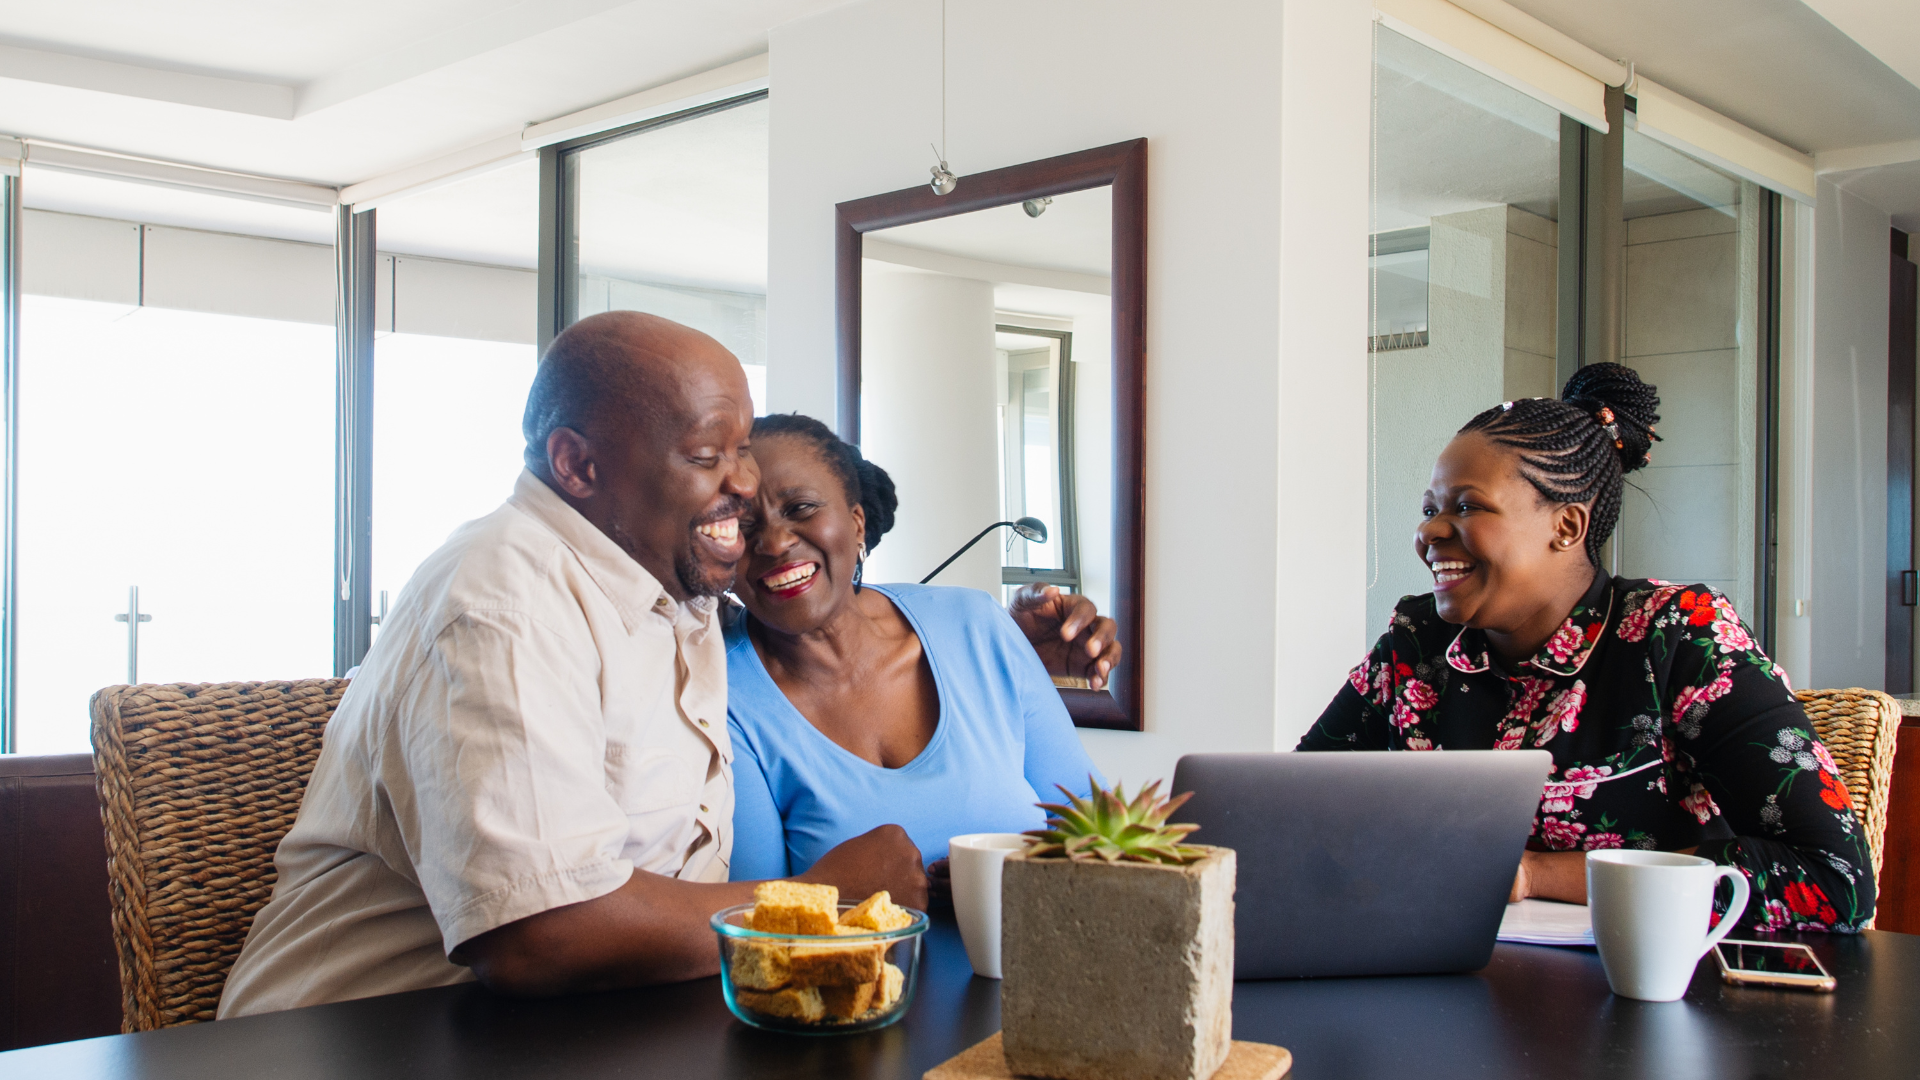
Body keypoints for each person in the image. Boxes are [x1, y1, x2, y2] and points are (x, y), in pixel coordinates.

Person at [219, 313, 927, 1018]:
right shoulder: (504, 600)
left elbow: (813, 598)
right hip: (362, 1039)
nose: (744, 482)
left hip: (590, 1034)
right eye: (708, 456)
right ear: (577, 466)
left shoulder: (670, 581)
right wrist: (822, 896)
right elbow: (541, 935)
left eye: (742, 448)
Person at [1299, 363, 1875, 932]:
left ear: (1568, 527)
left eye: (1467, 507)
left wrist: (1537, 875)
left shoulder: (1676, 637)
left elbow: (1835, 881)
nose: (1429, 533)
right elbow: (1295, 812)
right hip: (1434, 980)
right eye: (1430, 510)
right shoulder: (1416, 640)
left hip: (1640, 1000)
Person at [725, 414, 1107, 880]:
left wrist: (991, 877)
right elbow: (755, 921)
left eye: (801, 508)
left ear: (857, 522)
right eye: (742, 526)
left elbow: (1091, 821)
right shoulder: (724, 696)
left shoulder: (976, 626)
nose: (774, 542)